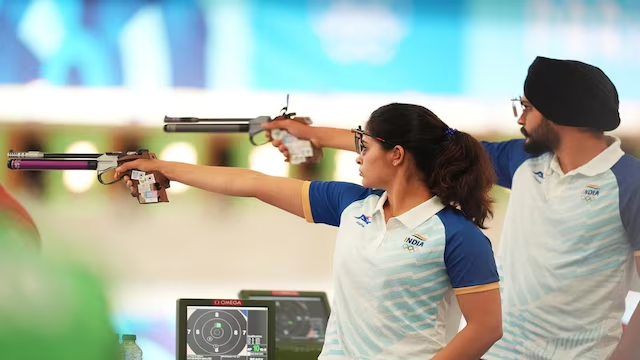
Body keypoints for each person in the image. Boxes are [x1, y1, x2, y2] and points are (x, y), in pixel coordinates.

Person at [263, 56, 640, 360]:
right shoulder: (522, 160)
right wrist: (311, 134)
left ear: (559, 113)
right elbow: (410, 145)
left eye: (527, 107)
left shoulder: (631, 183)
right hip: (502, 352)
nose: (520, 118)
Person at [116, 103, 503, 359]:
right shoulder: (351, 204)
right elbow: (251, 181)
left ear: (397, 155)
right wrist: (165, 168)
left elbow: (486, 328)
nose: (358, 155)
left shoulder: (457, 235)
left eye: (365, 147)